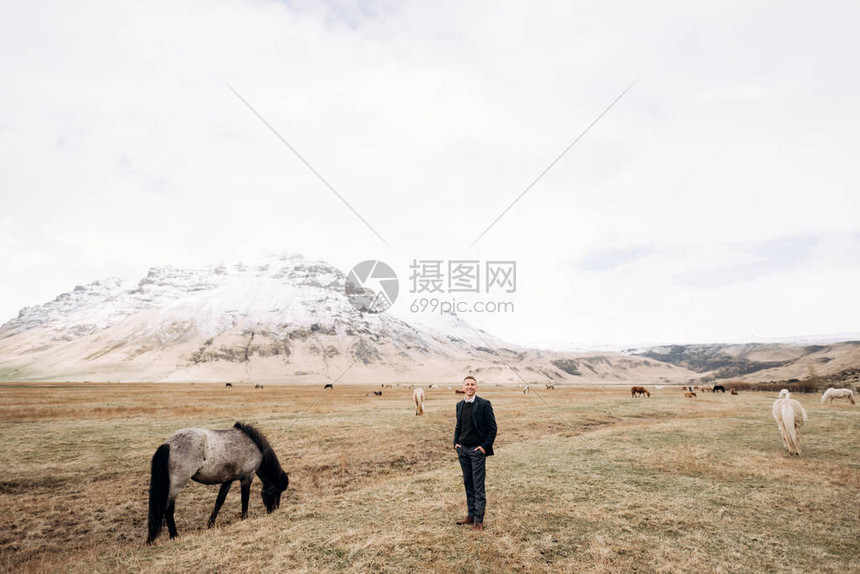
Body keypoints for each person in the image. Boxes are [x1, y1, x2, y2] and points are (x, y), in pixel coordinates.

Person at [453, 375, 497, 531]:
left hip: (477, 451)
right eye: (467, 384)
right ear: (463, 387)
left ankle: (479, 520)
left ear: (476, 387)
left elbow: (493, 429)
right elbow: (458, 426)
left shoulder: (484, 404)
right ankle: (470, 515)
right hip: (463, 450)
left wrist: (484, 447)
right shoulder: (459, 405)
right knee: (468, 483)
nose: (470, 387)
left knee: (478, 485)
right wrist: (455, 443)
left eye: (472, 384)